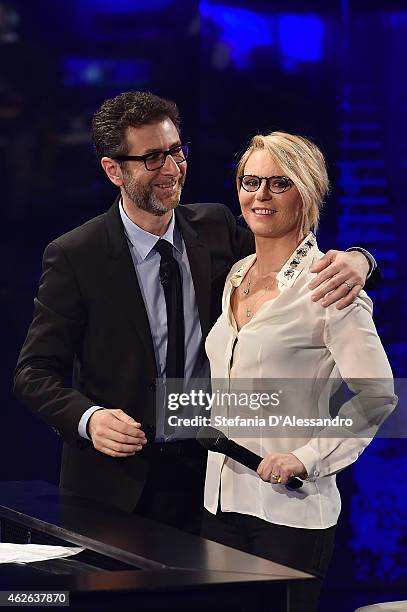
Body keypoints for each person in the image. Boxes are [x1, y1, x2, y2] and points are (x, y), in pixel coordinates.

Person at [14, 91, 378, 535]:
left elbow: (296, 258)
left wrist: (362, 258)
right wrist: (89, 420)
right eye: (151, 158)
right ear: (114, 170)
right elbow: (34, 372)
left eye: (175, 151)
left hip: (208, 481)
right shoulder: (76, 255)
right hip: (112, 485)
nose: (170, 169)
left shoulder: (217, 228)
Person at [201, 131, 397, 609]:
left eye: (279, 183)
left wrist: (307, 456)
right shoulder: (235, 274)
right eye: (251, 182)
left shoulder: (330, 287)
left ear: (307, 193)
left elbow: (379, 396)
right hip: (219, 502)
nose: (261, 196)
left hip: (288, 510)